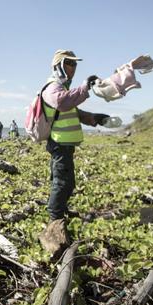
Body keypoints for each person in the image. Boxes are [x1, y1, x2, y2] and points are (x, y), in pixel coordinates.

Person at [38, 50, 110, 255]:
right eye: (69, 63)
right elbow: (62, 102)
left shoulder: (64, 89)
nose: (73, 67)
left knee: (65, 181)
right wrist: (85, 87)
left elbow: (74, 111)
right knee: (62, 181)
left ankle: (61, 211)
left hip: (66, 144)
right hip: (59, 143)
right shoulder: (52, 87)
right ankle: (55, 219)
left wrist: (95, 118)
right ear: (58, 65)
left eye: (75, 64)